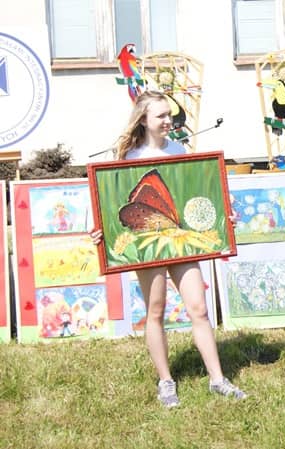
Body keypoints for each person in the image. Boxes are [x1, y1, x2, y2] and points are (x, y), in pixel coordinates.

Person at [90, 90, 246, 408]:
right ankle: (166, 381)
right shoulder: (127, 156)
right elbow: (105, 196)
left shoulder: (178, 149)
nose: (167, 120)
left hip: (180, 241)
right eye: (160, 115)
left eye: (169, 115)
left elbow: (197, 191)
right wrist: (97, 230)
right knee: (156, 310)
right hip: (147, 243)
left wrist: (224, 216)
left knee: (199, 308)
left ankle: (217, 379)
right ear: (143, 120)